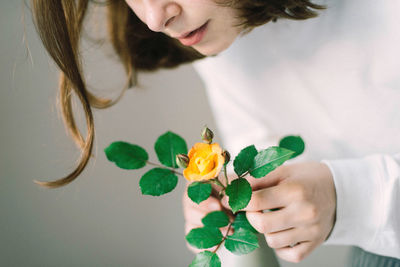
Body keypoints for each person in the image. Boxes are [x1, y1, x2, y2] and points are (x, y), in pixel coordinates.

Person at [31, 0, 400, 265]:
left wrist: (351, 198)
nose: (154, 18)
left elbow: (347, 198)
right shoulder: (225, 33)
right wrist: (239, 216)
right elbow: (267, 171)